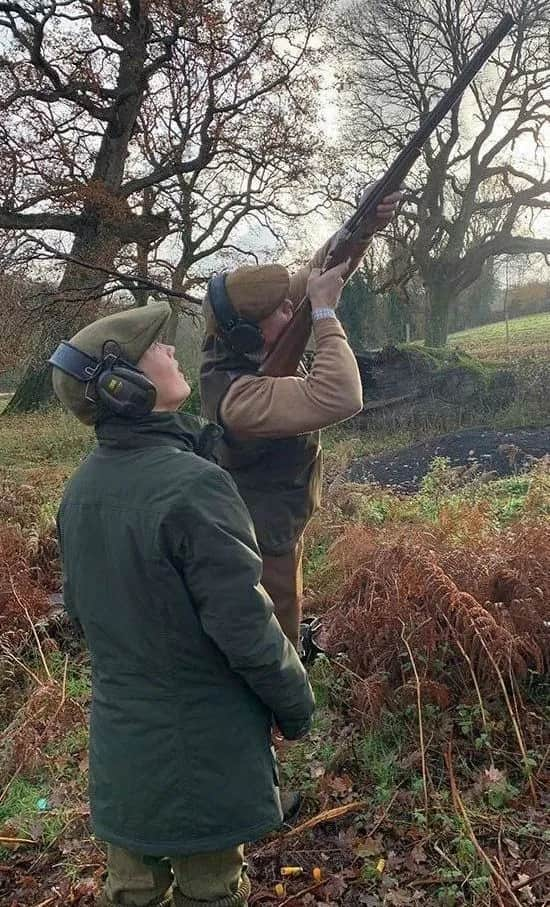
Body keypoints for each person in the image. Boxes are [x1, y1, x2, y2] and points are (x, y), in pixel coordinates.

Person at [49, 300, 315, 907]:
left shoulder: (80, 490)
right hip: (204, 744)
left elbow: (83, 614)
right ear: (124, 388)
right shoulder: (195, 486)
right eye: (155, 348)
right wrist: (296, 704)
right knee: (210, 891)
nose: (171, 350)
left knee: (131, 891)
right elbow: (246, 627)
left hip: (122, 747)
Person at [200, 191, 401, 652]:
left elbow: (316, 272)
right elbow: (342, 395)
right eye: (284, 312)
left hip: (283, 512)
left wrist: (362, 226)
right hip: (261, 534)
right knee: (274, 632)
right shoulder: (238, 399)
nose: (294, 310)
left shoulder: (238, 331)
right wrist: (324, 313)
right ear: (249, 333)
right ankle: (283, 692)